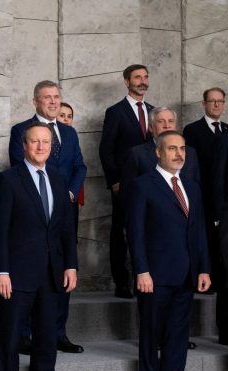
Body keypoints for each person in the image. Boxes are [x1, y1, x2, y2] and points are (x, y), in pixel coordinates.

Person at [0, 122, 77, 371]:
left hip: (52, 275)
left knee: (47, 342)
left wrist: (71, 265)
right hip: (17, 275)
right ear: (24, 146)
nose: (41, 147)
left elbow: (66, 228)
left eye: (46, 142)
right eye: (35, 142)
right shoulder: (8, 180)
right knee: (11, 341)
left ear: (51, 147)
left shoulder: (59, 178)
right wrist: (1, 271)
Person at [126, 131, 210, 371]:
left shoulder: (192, 186)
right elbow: (135, 233)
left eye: (182, 148)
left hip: (186, 274)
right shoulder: (142, 185)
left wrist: (204, 268)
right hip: (155, 276)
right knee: (151, 336)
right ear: (158, 153)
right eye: (172, 148)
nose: (179, 154)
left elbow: (199, 231)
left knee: (177, 336)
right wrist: (141, 270)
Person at [9, 81, 87, 355]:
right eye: (47, 97)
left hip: (64, 211)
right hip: (34, 214)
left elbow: (80, 166)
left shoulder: (69, 132)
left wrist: (68, 194)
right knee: (32, 271)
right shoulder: (21, 130)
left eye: (56, 97)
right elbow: (19, 168)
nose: (53, 102)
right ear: (35, 102)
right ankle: (26, 334)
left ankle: (58, 333)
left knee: (63, 268)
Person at [99, 64, 153, 299]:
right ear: (126, 82)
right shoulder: (115, 111)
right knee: (121, 232)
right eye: (137, 77)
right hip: (125, 184)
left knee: (149, 230)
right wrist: (114, 181)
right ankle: (121, 282)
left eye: (145, 77)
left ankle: (145, 279)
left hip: (151, 183)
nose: (142, 81)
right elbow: (106, 149)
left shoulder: (154, 111)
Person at [184, 88, 228, 343]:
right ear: (204, 103)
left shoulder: (227, 130)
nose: (217, 105)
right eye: (213, 101)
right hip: (208, 199)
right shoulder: (193, 130)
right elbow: (214, 174)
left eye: (220, 101)